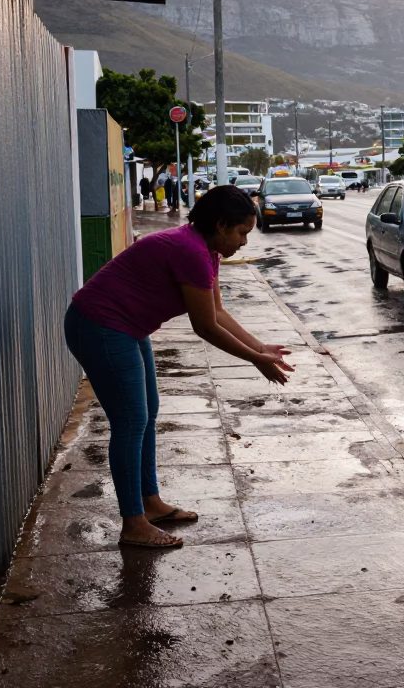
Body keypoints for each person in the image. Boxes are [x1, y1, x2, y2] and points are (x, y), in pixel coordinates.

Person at [65, 186, 293, 549]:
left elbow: (217, 312)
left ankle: (150, 503)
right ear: (221, 225)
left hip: (126, 326)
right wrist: (256, 360)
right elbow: (204, 327)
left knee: (147, 412)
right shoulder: (189, 251)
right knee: (130, 421)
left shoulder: (205, 250)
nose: (244, 242)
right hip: (99, 325)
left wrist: (259, 346)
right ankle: (133, 524)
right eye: (242, 232)